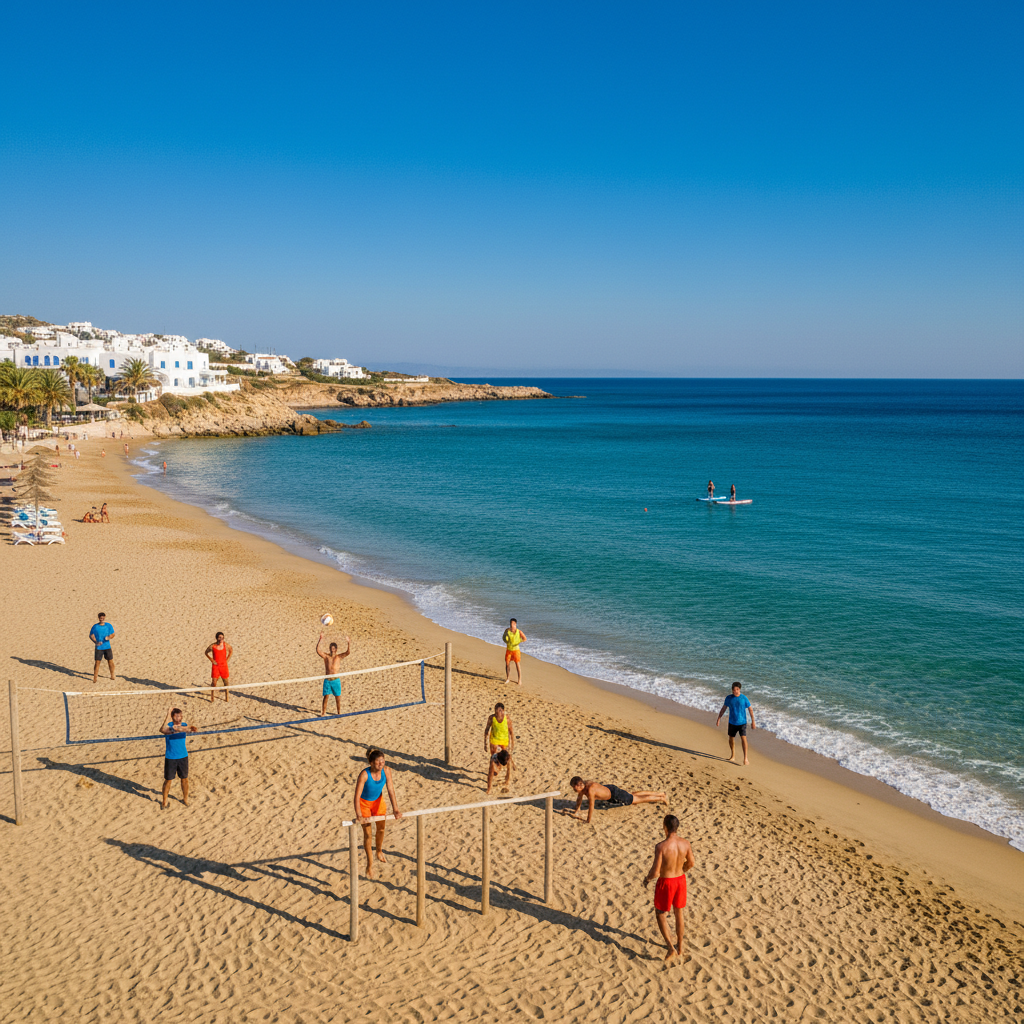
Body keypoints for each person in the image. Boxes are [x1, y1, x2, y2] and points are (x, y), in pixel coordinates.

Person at [643, 814, 696, 962]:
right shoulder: (686, 843)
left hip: (666, 882)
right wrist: (682, 870)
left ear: (665, 827)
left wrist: (647, 879)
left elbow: (655, 871)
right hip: (680, 880)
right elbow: (691, 862)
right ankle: (680, 945)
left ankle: (670, 947)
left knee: (661, 914)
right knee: (679, 913)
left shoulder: (661, 846)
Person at [353, 749, 402, 877]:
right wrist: (358, 814)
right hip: (364, 804)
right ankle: (370, 864)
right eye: (378, 761)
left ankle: (379, 850)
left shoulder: (386, 771)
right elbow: (357, 796)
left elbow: (390, 789)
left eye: (382, 761)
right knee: (368, 835)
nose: (381, 764)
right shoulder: (364, 775)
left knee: (381, 829)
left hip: (378, 802)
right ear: (371, 763)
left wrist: (395, 809)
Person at [567, 777, 666, 823]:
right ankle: (661, 794)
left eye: (574, 788)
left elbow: (591, 806)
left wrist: (588, 820)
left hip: (615, 795)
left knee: (635, 799)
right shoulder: (584, 785)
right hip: (610, 788)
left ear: (580, 785)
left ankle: (661, 798)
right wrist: (576, 810)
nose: (574, 790)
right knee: (632, 794)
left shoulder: (590, 791)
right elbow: (579, 798)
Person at [160, 707, 197, 808]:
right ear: (172, 717)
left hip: (183, 756)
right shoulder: (169, 726)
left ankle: (185, 799)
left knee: (184, 779)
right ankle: (164, 802)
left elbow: (190, 728)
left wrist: (192, 728)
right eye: (177, 716)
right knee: (168, 780)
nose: (179, 718)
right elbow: (162, 730)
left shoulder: (184, 725)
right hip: (171, 757)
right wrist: (168, 714)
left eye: (180, 716)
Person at [716, 681, 756, 764]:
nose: (735, 691)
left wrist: (753, 721)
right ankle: (733, 756)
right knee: (731, 738)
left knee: (743, 738)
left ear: (740, 689)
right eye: (734, 690)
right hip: (732, 722)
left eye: (737, 689)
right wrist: (719, 718)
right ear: (732, 690)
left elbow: (750, 709)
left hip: (742, 722)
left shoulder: (744, 698)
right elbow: (723, 709)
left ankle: (745, 758)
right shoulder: (729, 698)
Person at [484, 703, 515, 792]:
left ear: (503, 711)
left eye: (499, 711)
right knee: (494, 759)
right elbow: (487, 729)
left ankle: (507, 778)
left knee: (507, 759)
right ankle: (491, 781)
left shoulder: (507, 718)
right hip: (494, 739)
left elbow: (511, 731)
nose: (497, 713)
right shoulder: (491, 718)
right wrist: (485, 742)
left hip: (504, 740)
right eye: (496, 711)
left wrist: (512, 743)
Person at [316, 633, 351, 715]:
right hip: (328, 680)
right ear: (330, 649)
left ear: (336, 649)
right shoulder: (326, 656)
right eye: (331, 648)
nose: (332, 650)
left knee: (337, 698)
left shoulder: (338, 657)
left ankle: (339, 713)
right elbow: (318, 650)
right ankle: (323, 713)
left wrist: (348, 643)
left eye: (334, 648)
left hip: (336, 680)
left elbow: (348, 652)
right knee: (326, 697)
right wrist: (320, 639)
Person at [205, 632, 233, 701]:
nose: (221, 639)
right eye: (220, 637)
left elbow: (231, 650)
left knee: (226, 682)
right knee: (214, 682)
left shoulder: (225, 645)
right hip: (216, 666)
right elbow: (206, 652)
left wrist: (228, 659)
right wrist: (211, 659)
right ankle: (212, 696)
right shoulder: (212, 646)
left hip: (224, 665)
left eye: (222, 637)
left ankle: (227, 697)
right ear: (217, 638)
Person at [90, 612, 116, 684]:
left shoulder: (108, 626)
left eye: (103, 618)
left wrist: (109, 637)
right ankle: (95, 678)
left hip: (107, 646)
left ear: (104, 618)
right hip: (99, 647)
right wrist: (95, 641)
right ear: (99, 618)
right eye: (101, 618)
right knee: (97, 662)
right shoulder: (95, 627)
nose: (102, 619)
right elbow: (91, 635)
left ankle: (112, 675)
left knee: (110, 661)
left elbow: (113, 634)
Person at [502, 618, 526, 685]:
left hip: (516, 650)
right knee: (507, 664)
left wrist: (518, 642)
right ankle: (507, 678)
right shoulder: (507, 631)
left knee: (517, 664)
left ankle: (519, 680)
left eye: (513, 624)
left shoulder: (519, 632)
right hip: (509, 650)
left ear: (515, 624)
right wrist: (505, 635)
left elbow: (525, 638)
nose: (512, 625)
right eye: (511, 624)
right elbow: (504, 638)